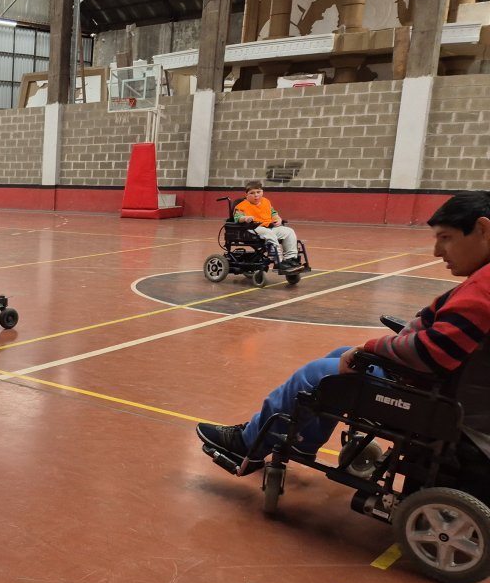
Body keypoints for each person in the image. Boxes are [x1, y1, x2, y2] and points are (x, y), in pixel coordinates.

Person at [196, 191, 490, 486]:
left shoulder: (482, 288)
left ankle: (247, 443)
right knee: (340, 355)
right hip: (442, 386)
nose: (437, 251)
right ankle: (303, 441)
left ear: (482, 229)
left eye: (446, 238)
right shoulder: (481, 280)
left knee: (317, 374)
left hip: (433, 396)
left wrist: (373, 347)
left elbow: (432, 352)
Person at [233, 180, 302, 271]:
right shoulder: (241, 205)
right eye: (252, 193)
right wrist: (245, 218)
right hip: (252, 228)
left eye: (258, 192)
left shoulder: (266, 202)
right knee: (268, 233)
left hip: (268, 227)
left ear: (262, 192)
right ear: (247, 195)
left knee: (289, 231)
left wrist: (278, 219)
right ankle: (278, 261)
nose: (256, 195)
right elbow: (237, 217)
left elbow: (273, 213)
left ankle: (291, 259)